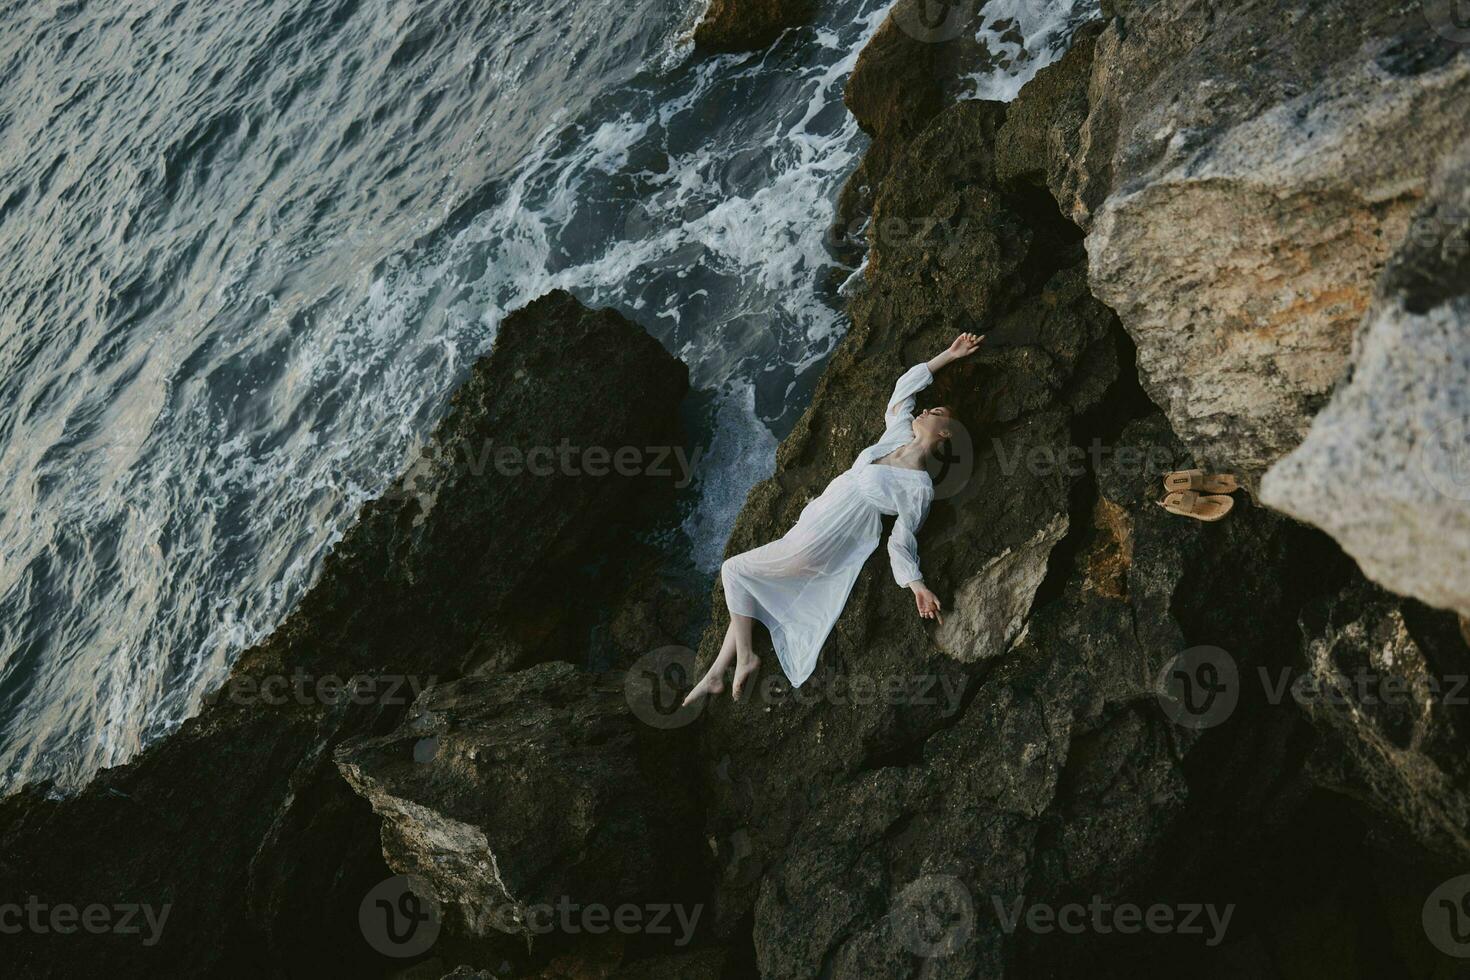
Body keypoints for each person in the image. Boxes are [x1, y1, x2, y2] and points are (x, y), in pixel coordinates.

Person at [685, 333, 983, 704]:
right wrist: (949, 355)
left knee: (734, 570)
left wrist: (917, 586)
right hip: (817, 517)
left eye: (935, 413)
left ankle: (746, 657)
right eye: (929, 408)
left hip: (828, 538)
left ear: (945, 434)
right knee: (750, 585)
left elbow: (901, 540)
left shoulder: (919, 487)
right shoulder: (897, 435)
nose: (926, 411)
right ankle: (717, 672)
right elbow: (902, 389)